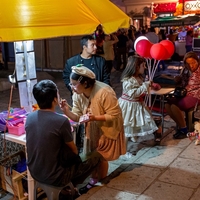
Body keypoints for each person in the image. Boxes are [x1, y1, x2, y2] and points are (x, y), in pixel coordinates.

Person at [25, 80, 102, 199]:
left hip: (34, 172)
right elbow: (74, 151)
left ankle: (67, 187)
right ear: (55, 99)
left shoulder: (30, 117)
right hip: (55, 177)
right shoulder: (61, 121)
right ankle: (71, 185)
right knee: (96, 156)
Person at [61, 66, 126, 194]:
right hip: (91, 129)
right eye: (71, 84)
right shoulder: (78, 94)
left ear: (85, 83)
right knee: (94, 157)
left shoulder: (105, 92)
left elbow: (115, 115)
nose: (72, 87)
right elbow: (78, 117)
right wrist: (66, 111)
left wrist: (95, 117)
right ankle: (95, 179)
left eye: (74, 84)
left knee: (101, 156)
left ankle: (99, 180)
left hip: (107, 128)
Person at [118, 56, 159, 157]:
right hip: (128, 106)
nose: (144, 67)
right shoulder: (128, 80)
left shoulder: (138, 77)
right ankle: (123, 150)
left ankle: (133, 137)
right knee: (127, 128)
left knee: (134, 124)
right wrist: (145, 85)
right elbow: (133, 93)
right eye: (143, 65)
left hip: (136, 104)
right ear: (136, 67)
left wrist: (149, 85)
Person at [165, 51, 200, 139]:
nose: (191, 65)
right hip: (184, 94)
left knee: (175, 106)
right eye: (188, 63)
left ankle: (184, 129)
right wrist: (177, 79)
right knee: (167, 104)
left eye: (193, 63)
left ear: (197, 61)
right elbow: (181, 81)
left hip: (195, 95)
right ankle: (181, 126)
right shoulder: (185, 70)